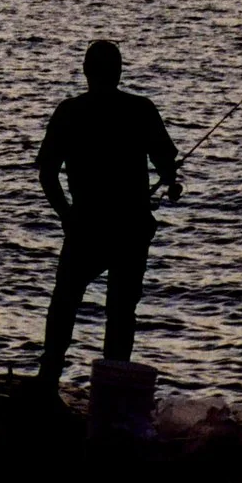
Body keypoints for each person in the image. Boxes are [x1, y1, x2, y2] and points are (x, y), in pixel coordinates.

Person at [34, 39, 180, 386]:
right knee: (121, 314)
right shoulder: (141, 109)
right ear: (119, 73)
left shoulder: (69, 112)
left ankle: (48, 379)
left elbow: (47, 174)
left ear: (85, 72)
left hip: (85, 226)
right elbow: (168, 166)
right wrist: (171, 181)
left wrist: (66, 215)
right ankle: (112, 392)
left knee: (64, 304)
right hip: (131, 230)